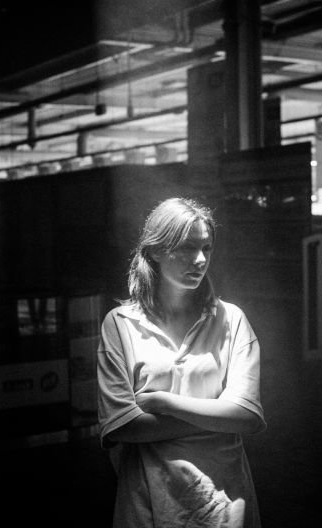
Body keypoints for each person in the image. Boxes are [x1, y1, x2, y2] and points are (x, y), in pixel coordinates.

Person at [97, 197, 266, 528]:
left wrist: (164, 402)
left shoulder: (231, 319)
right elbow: (123, 426)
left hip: (223, 501)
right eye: (188, 247)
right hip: (149, 499)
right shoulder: (120, 324)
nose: (200, 259)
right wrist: (221, 417)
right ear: (156, 251)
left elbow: (248, 416)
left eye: (206, 247)